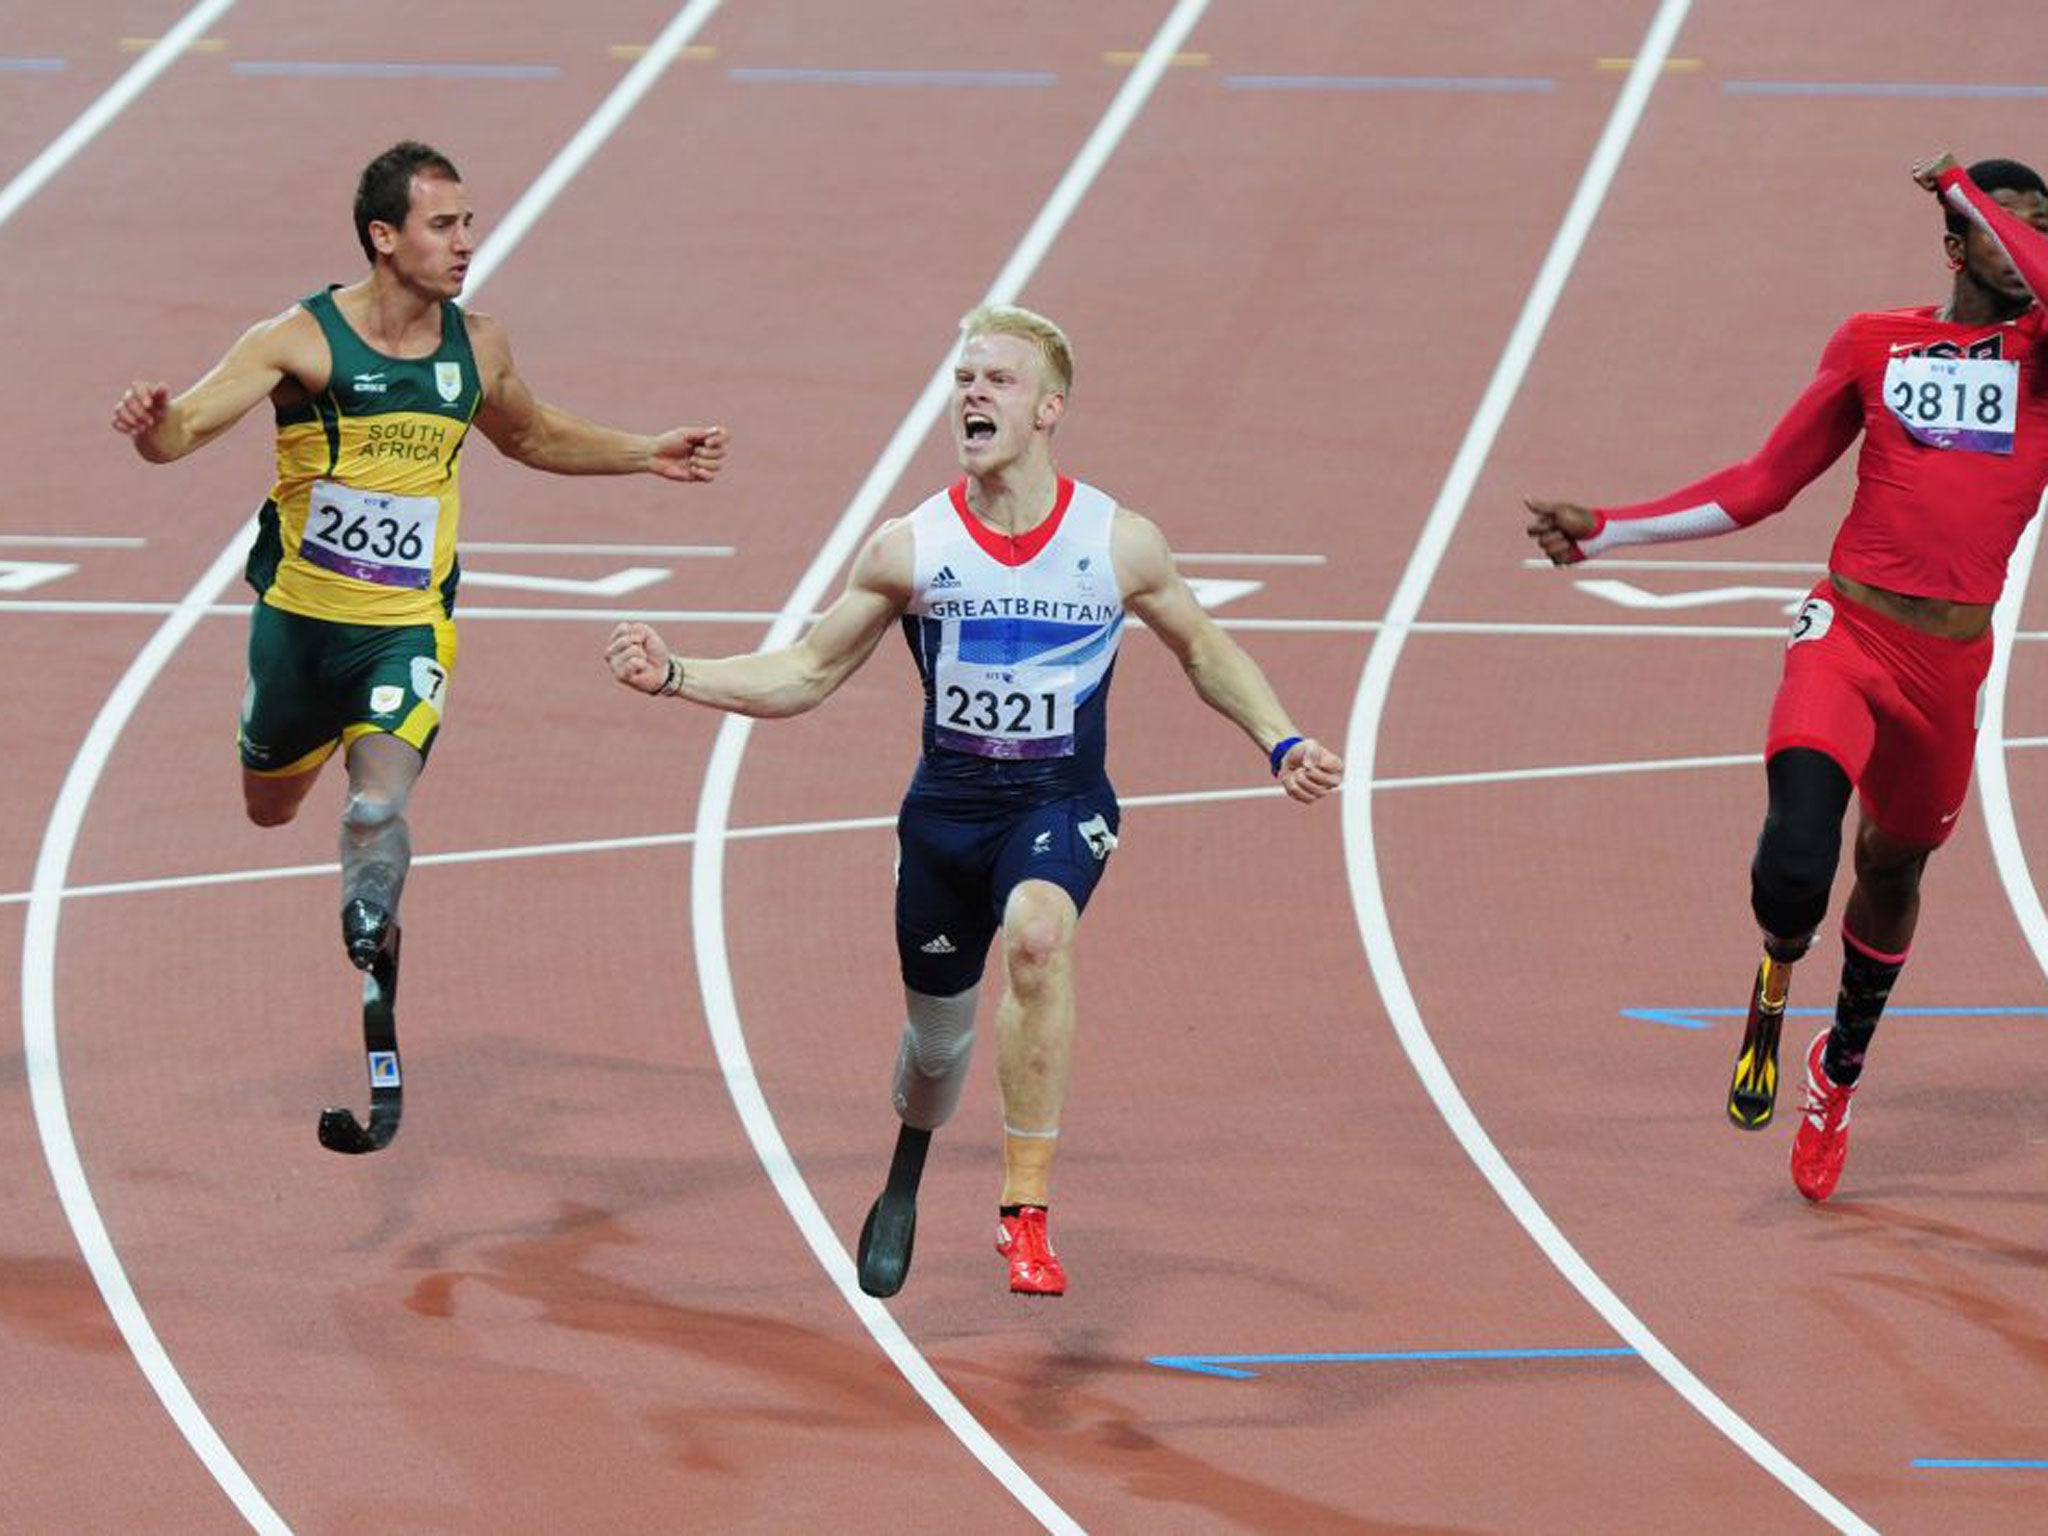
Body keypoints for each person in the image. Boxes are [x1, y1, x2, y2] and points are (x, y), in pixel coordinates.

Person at [607, 303, 1343, 1294]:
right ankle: (907, 1167)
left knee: (1040, 935)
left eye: (994, 379)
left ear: (1048, 408)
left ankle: (1024, 1211)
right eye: (962, 379)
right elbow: (805, 674)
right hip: (944, 822)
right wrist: (678, 675)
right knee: (936, 1042)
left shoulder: (1116, 542)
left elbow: (1204, 648)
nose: (971, 395)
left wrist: (1279, 737)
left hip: (1059, 804)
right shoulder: (909, 549)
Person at [1525, 152, 2048, 1202]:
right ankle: (1774, 966)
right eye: (2001, 224)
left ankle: (1835, 1073)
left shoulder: (2044, 354)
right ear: (1951, 246)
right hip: (1848, 631)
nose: (2022, 243)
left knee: (1891, 874)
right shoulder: (1873, 342)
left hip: (1947, 665)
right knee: (1796, 863)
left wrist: (1966, 186)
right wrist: (1607, 533)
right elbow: (1763, 486)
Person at [111, 140, 727, 1024]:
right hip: (297, 627)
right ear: (384, 237)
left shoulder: (477, 346)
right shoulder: (296, 340)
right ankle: (313, 763)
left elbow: (531, 435)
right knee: (269, 810)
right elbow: (179, 436)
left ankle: (370, 921)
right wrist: (150, 424)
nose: (467, 241)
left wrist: (645, 453)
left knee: (374, 807)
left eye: (468, 222)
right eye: (444, 225)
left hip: (408, 626)